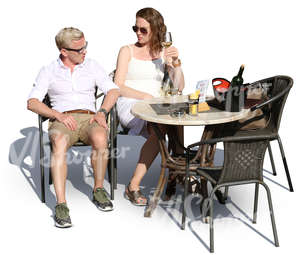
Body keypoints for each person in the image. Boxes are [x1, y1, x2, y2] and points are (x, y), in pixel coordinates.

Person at [27, 27, 120, 228]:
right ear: (64, 51)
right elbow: (32, 102)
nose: (84, 52)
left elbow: (113, 90)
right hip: (62, 119)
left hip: (89, 117)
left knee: (101, 138)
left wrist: (102, 111)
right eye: (79, 49)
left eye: (85, 46)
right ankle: (61, 204)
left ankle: (98, 189)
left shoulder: (92, 65)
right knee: (59, 142)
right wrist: (57, 115)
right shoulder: (48, 70)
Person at [114, 7, 185, 206]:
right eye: (135, 28)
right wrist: (143, 96)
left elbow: (179, 86)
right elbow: (118, 86)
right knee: (161, 127)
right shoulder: (126, 51)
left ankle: (176, 173)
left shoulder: (163, 52)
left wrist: (176, 64)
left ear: (156, 29)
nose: (138, 33)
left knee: (178, 118)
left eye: (143, 29)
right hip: (131, 103)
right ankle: (134, 186)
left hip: (157, 104)